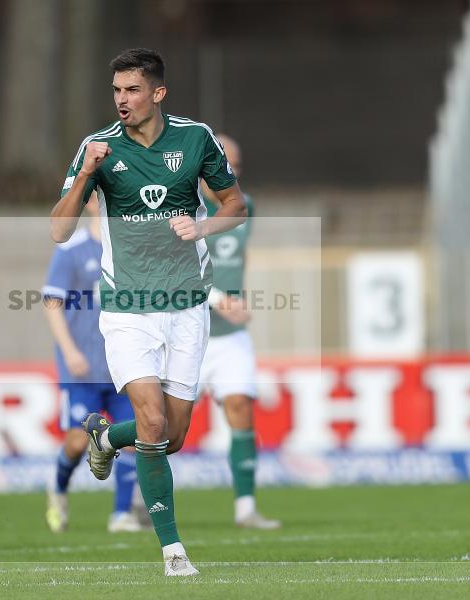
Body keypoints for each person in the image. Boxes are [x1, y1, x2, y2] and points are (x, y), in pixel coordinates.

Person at [50, 48, 247, 576]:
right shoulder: (98, 148)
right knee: (154, 422)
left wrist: (202, 227)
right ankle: (173, 552)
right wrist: (85, 175)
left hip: (186, 305)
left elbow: (234, 206)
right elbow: (59, 229)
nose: (122, 100)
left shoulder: (195, 137)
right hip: (127, 307)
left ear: (157, 93)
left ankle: (106, 436)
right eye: (116, 91)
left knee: (172, 437)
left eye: (133, 90)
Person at [43, 192, 146, 534]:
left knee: (133, 438)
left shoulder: (131, 250)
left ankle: (121, 514)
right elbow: (52, 303)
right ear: (89, 203)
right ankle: (58, 488)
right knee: (76, 440)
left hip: (122, 365)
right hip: (83, 369)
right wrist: (70, 351)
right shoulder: (71, 251)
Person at [198, 134, 280, 530]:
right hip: (186, 333)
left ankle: (245, 508)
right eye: (224, 164)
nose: (232, 173)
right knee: (164, 427)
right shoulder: (182, 210)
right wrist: (219, 300)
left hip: (230, 339)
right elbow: (167, 272)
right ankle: (144, 501)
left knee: (241, 411)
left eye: (236, 165)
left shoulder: (245, 207)